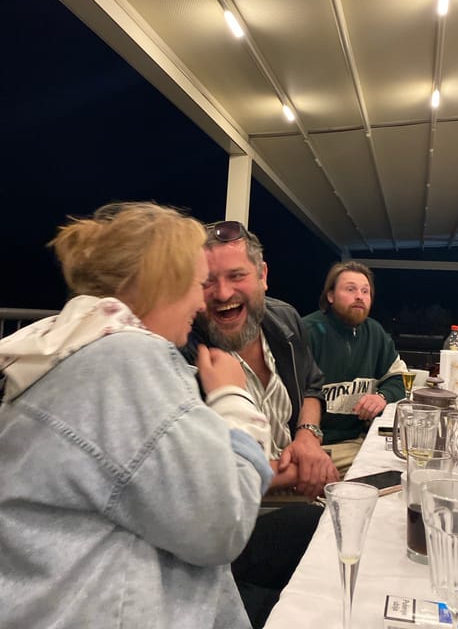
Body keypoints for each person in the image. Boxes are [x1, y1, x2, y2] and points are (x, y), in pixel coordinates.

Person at [0, 202, 273, 629]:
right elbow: (223, 523)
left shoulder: (62, 354)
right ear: (165, 283)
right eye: (198, 284)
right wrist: (233, 398)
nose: (200, 303)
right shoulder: (125, 362)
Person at [182, 220, 338, 628]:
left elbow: (312, 386)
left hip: (296, 475)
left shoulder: (284, 320)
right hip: (240, 517)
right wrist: (294, 473)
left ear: (263, 275)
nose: (223, 294)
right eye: (207, 282)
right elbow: (198, 479)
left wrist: (308, 437)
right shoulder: (183, 350)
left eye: (237, 276)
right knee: (335, 531)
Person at [303, 261, 407, 475]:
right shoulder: (307, 331)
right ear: (330, 296)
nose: (359, 296)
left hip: (357, 440)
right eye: (350, 289)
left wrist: (382, 396)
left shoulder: (375, 333)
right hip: (314, 444)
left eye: (365, 291)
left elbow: (399, 378)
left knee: (405, 466)